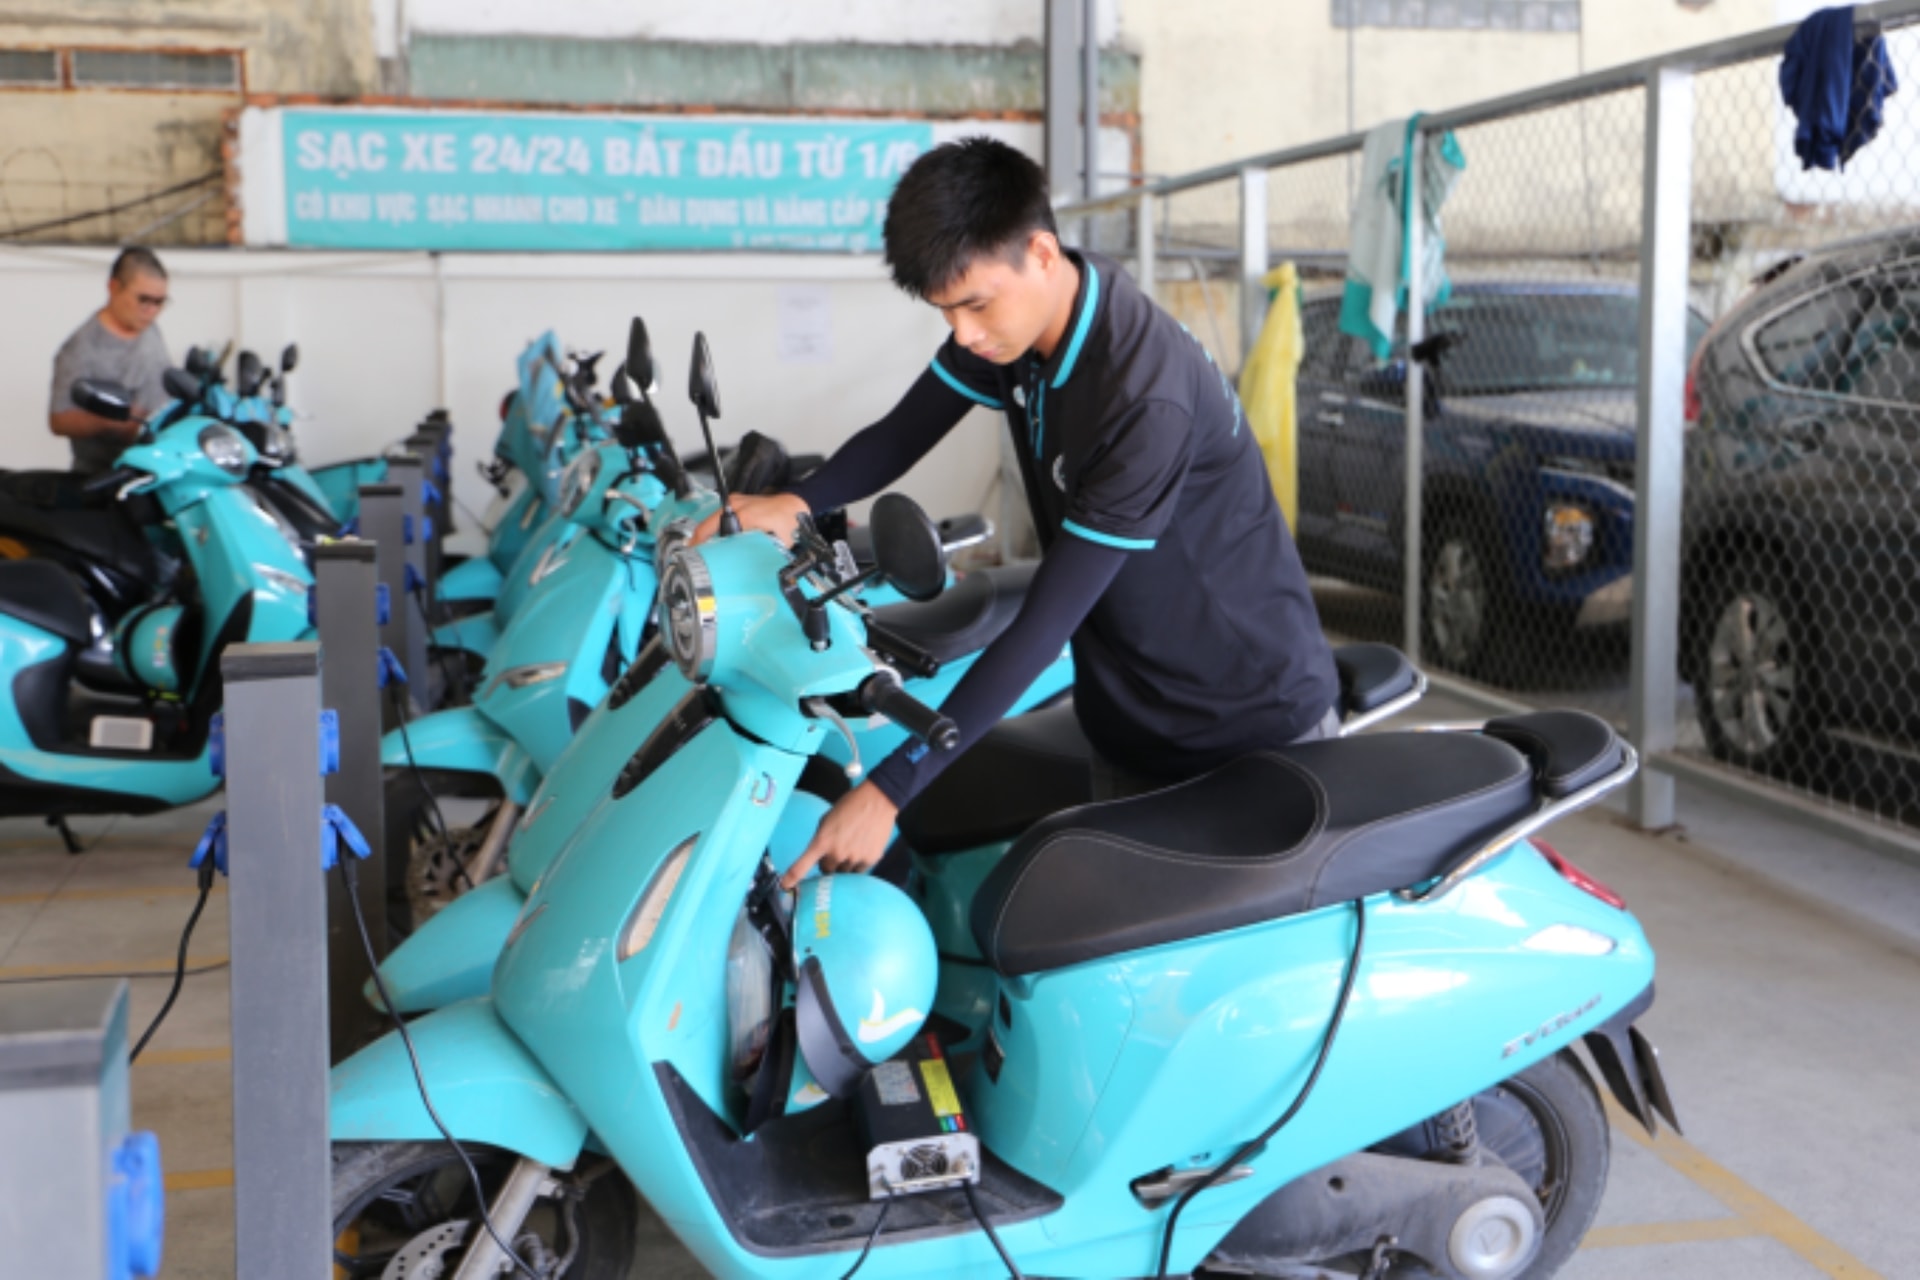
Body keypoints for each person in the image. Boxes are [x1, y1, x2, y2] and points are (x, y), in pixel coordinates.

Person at [691, 137, 1340, 889]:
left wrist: (892, 789)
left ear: (1040, 252)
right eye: (946, 312)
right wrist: (799, 500)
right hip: (1132, 714)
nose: (963, 334)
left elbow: (1044, 625)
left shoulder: (1141, 399)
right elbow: (903, 431)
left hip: (1243, 724)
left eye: (974, 304)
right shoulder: (1027, 322)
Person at [49, 246, 173, 476]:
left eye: (159, 302)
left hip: (155, 465)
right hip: (109, 475)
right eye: (144, 300)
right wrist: (117, 422)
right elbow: (59, 419)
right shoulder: (81, 349)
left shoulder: (147, 328)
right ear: (114, 287)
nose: (152, 311)